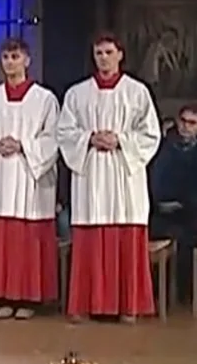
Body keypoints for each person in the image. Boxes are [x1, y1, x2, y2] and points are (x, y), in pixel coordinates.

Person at [57, 33, 162, 321]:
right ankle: (85, 304)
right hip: (91, 172)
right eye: (98, 53)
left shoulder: (137, 92)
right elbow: (64, 132)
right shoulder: (77, 94)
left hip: (123, 175)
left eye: (108, 52)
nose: (103, 58)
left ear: (120, 55)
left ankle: (128, 306)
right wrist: (89, 138)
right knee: (89, 236)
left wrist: (120, 141)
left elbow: (150, 134)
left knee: (125, 234)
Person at [0, 38, 60, 318]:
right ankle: (3, 297)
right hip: (0, 174)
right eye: (6, 57)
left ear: (27, 60)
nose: (10, 62)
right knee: (1, 238)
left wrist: (23, 146)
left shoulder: (44, 99)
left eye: (15, 57)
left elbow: (53, 137)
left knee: (27, 238)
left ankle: (28, 299)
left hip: (30, 176)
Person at [148, 102, 197, 302]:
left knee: (191, 237)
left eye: (192, 123)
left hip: (193, 214)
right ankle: (160, 294)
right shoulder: (162, 149)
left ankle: (187, 295)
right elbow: (155, 182)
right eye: (183, 121)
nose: (186, 127)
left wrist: (187, 203)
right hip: (164, 213)